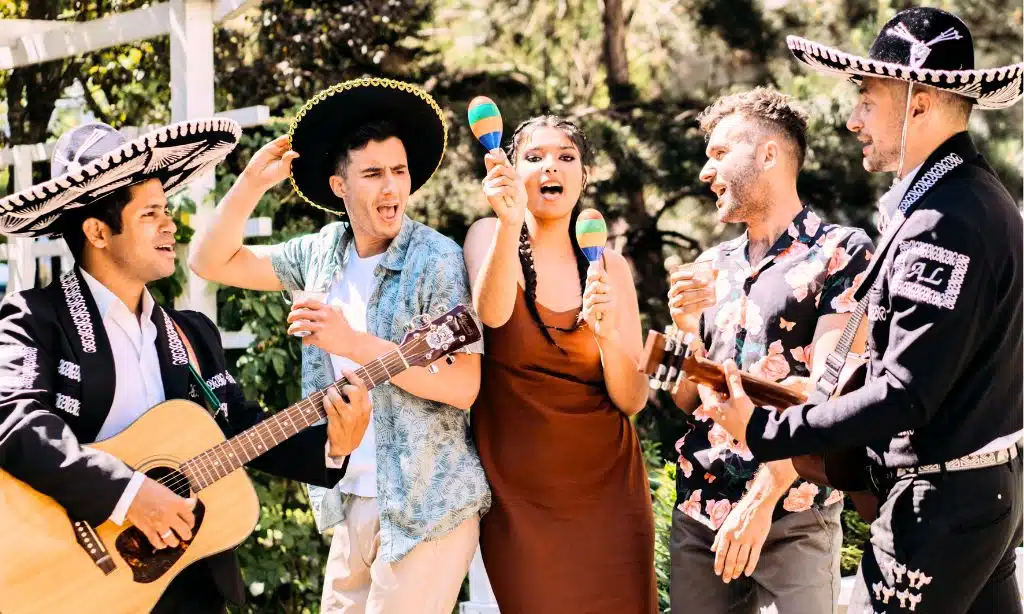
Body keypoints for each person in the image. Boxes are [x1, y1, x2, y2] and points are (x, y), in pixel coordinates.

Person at [701, 8, 1024, 613]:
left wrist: (768, 431)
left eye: (868, 99)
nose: (852, 120)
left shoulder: (942, 222)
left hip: (937, 507)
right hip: (978, 494)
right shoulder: (968, 198)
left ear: (919, 101)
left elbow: (904, 393)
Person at [0, 119, 372, 613]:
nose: (170, 225)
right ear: (97, 231)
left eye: (167, 209)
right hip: (74, 582)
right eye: (150, 213)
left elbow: (237, 428)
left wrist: (331, 445)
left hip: (187, 576)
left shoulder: (190, 332)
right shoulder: (37, 319)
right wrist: (128, 494)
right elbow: (17, 423)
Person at [189, 78, 490, 614]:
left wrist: (352, 343)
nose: (391, 188)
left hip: (427, 507)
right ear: (338, 186)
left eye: (399, 172)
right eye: (373, 174)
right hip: (350, 498)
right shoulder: (321, 253)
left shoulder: (436, 260)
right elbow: (209, 262)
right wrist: (250, 186)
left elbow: (465, 388)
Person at [664, 87, 873, 613]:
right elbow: (686, 402)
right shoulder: (709, 263)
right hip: (700, 509)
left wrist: (762, 497)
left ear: (768, 154)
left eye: (718, 154)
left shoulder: (843, 253)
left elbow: (828, 393)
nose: (705, 174)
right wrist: (686, 331)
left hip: (796, 506)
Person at [463, 115, 656, 614]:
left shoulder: (609, 266)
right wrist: (509, 220)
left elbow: (632, 399)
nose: (552, 166)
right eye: (535, 157)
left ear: (584, 177)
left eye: (567, 157)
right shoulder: (488, 234)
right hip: (518, 497)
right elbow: (493, 313)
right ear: (509, 168)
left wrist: (608, 334)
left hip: (609, 491)